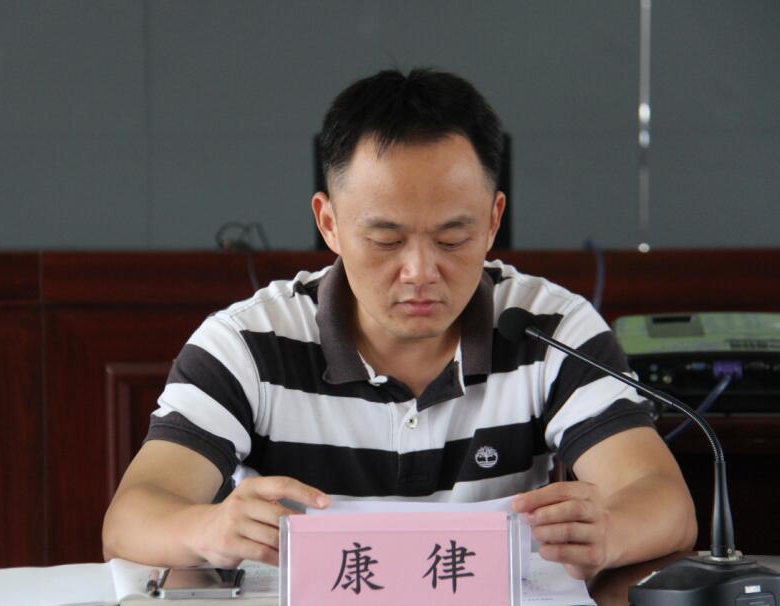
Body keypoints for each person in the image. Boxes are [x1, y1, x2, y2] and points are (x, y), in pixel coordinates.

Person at [102, 68, 696, 580]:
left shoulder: (547, 328)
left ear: (493, 221)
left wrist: (610, 531)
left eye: (452, 238)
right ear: (329, 224)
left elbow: (665, 502)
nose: (420, 272)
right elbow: (132, 517)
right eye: (386, 239)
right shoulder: (247, 344)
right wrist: (209, 528)